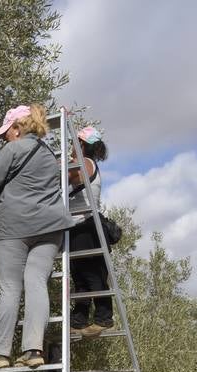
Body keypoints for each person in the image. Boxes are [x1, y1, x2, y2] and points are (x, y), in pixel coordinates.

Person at [0, 104, 75, 369]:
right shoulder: (48, 155)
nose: (3, 138)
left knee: (10, 287)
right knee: (36, 282)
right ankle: (33, 351)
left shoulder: (12, 149)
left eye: (5, 132)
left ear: (17, 129)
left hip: (13, 230)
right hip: (50, 227)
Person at [68, 126, 113, 336]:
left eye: (74, 142)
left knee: (92, 275)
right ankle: (79, 320)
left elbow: (72, 176)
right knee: (80, 276)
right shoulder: (81, 162)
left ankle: (103, 319)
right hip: (77, 226)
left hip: (87, 225)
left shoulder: (85, 164)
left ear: (82, 145)